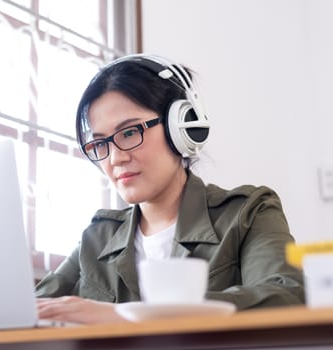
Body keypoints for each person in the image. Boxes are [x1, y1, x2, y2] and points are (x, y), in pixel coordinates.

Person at [35, 53, 304, 324]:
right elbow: (28, 311)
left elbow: (287, 296)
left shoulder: (248, 212)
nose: (115, 158)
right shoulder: (97, 237)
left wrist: (126, 316)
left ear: (182, 128)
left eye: (130, 132)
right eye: (100, 144)